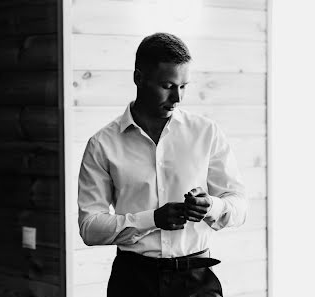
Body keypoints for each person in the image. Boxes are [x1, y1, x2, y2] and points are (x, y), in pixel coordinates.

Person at [77, 32, 247, 297]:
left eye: (184, 86)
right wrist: (152, 219)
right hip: (133, 282)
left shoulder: (206, 133)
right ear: (139, 78)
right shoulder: (102, 145)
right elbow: (90, 228)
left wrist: (212, 205)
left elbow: (239, 205)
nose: (177, 98)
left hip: (197, 281)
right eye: (167, 86)